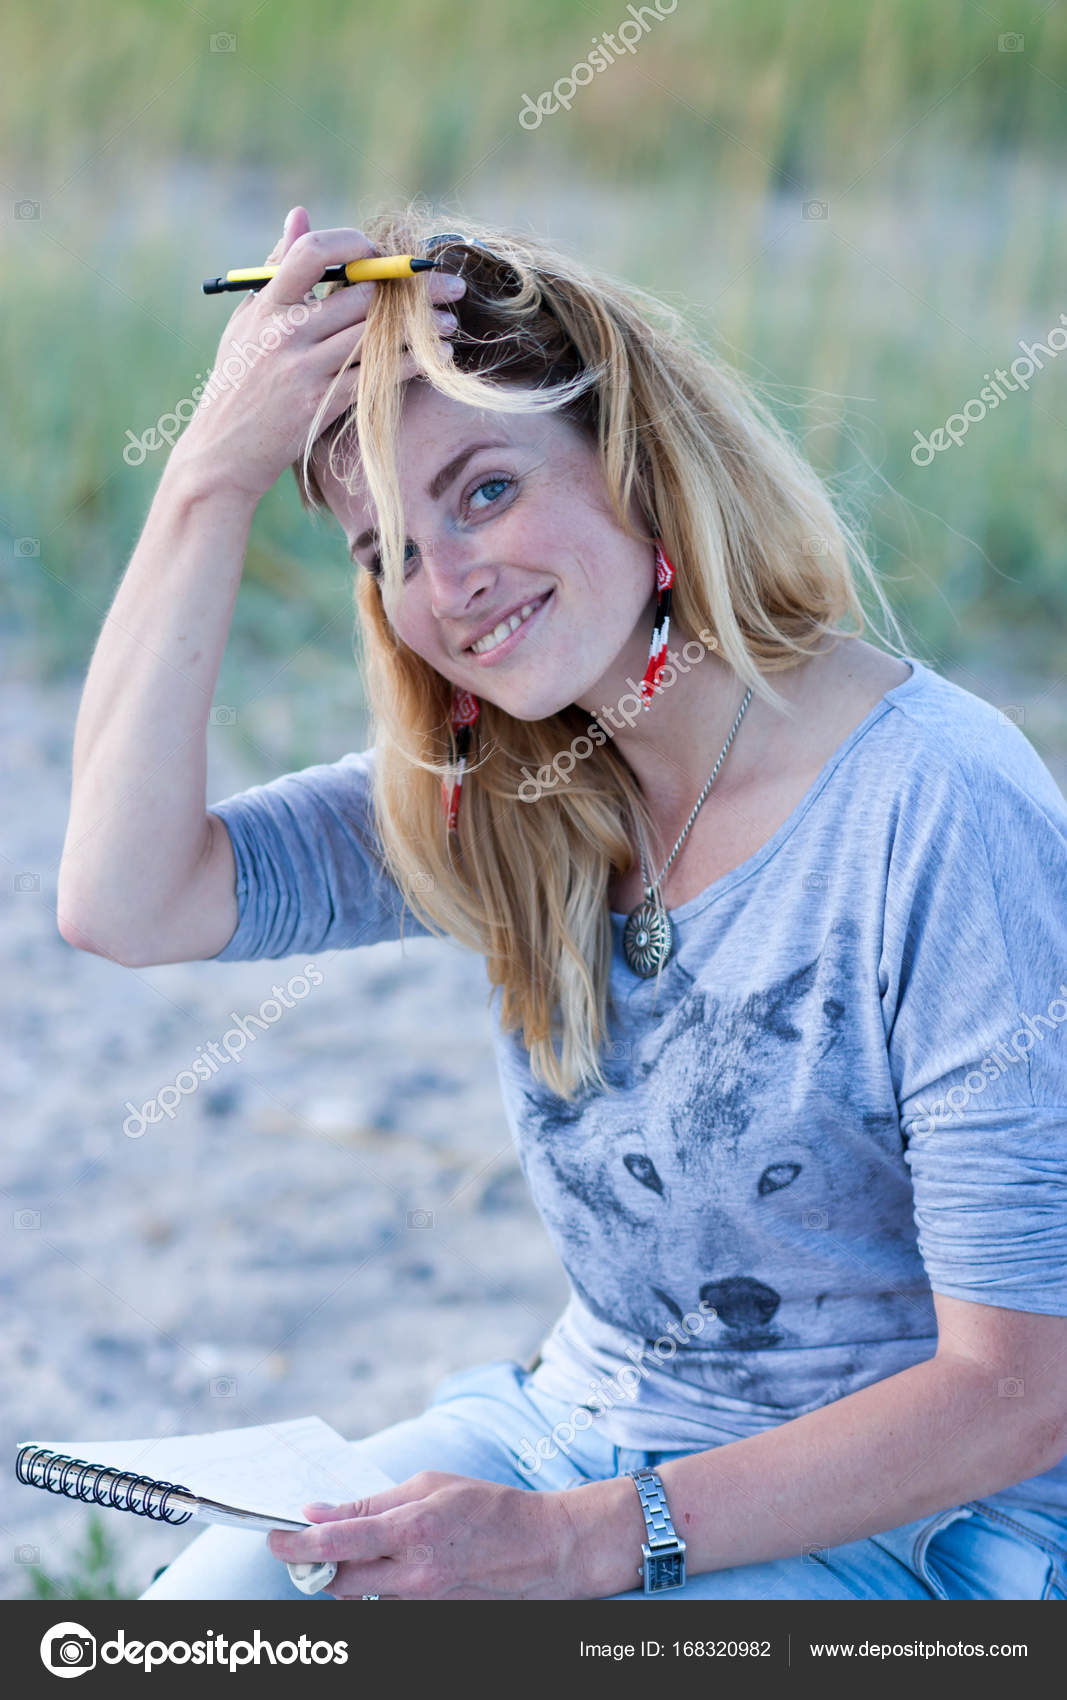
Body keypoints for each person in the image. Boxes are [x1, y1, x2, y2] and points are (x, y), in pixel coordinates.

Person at [58, 206, 1067, 1602]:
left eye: (484, 491)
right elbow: (124, 899)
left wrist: (574, 1544)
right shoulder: (511, 794)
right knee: (213, 1618)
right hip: (575, 1438)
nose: (447, 582)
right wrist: (205, 482)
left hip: (923, 1534)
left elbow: (1016, 1394)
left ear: (638, 469)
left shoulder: (939, 809)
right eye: (388, 551)